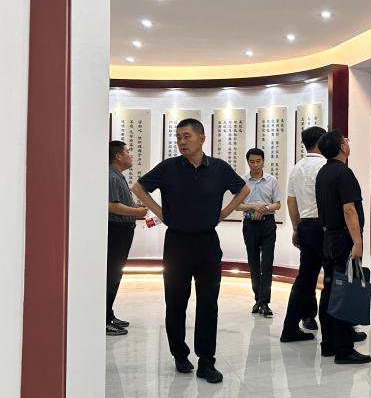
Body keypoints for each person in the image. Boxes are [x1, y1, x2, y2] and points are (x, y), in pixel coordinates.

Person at [132, 118, 250, 383]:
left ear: (202, 138)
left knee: (208, 303)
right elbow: (138, 187)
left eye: (187, 136)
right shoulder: (169, 168)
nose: (182, 142)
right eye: (178, 137)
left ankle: (207, 361)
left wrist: (225, 213)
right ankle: (180, 354)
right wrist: (160, 212)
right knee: (176, 302)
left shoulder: (219, 168)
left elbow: (243, 189)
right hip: (177, 243)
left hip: (208, 243)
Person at [315, 130, 371, 364]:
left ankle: (329, 343)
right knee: (345, 291)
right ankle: (344, 349)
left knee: (330, 289)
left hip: (328, 237)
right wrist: (357, 242)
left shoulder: (323, 172)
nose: (348, 142)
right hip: (343, 238)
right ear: (342, 148)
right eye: (345, 140)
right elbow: (349, 210)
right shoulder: (344, 172)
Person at [281, 126, 328, 342]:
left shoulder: (296, 168)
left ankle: (292, 325)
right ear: (321, 142)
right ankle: (337, 329)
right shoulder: (327, 166)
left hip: (306, 226)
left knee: (306, 277)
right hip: (326, 228)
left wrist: (296, 228)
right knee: (333, 277)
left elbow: (291, 201)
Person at [107, 140, 149, 336]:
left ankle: (108, 315)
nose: (131, 155)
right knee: (111, 275)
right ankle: (104, 319)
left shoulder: (117, 176)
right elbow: (111, 206)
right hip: (116, 230)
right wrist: (136, 211)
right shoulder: (111, 176)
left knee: (115, 275)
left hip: (123, 230)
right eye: (127, 151)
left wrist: (134, 208)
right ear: (117, 156)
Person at [239, 148, 282, 318]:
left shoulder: (272, 180)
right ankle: (258, 299)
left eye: (258, 161)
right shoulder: (242, 181)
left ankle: (264, 302)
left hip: (268, 224)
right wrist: (254, 207)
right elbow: (237, 206)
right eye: (252, 161)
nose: (255, 165)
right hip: (250, 225)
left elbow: (277, 204)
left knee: (267, 263)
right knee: (253, 263)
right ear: (248, 162)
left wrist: (264, 208)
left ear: (263, 161)